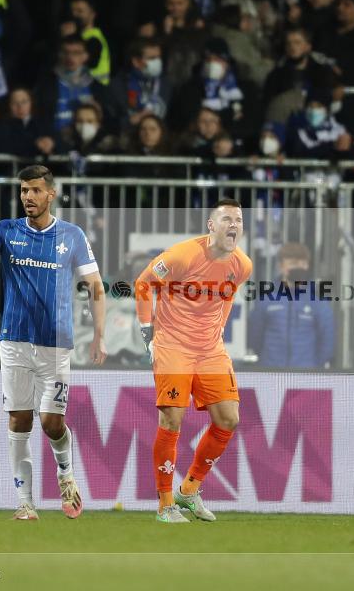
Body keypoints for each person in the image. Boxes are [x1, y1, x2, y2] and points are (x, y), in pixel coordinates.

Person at [0, 164, 108, 520]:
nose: (28, 197)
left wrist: (99, 335)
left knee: (52, 422)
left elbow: (95, 287)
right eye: (23, 191)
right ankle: (25, 503)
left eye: (35, 190)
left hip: (56, 344)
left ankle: (66, 473)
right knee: (20, 420)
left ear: (51, 194)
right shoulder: (6, 231)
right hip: (15, 341)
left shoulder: (72, 235)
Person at [135, 198, 253, 523]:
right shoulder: (182, 256)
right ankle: (165, 505)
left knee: (228, 419)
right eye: (227, 219)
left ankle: (189, 491)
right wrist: (149, 337)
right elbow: (143, 284)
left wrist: (216, 335)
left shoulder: (242, 265)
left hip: (210, 350)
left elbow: (225, 299)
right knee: (172, 421)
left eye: (239, 220)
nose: (234, 225)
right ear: (211, 225)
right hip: (173, 345)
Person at [247, 243, 335, 369]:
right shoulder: (266, 298)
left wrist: (314, 367)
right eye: (293, 263)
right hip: (270, 373)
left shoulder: (317, 300)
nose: (299, 268)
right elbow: (254, 336)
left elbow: (327, 342)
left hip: (306, 376)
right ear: (281, 266)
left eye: (303, 264)